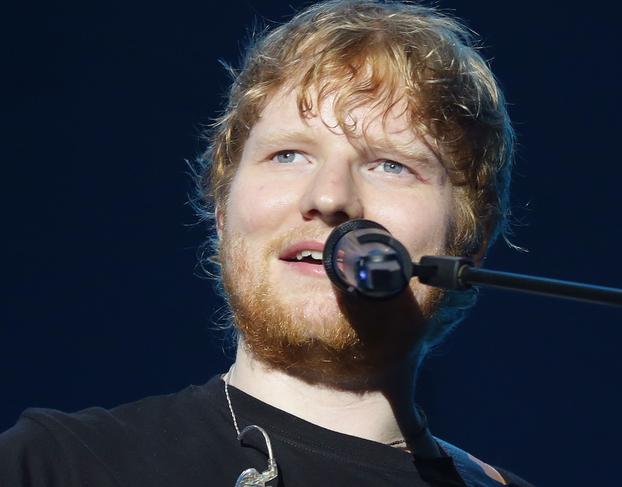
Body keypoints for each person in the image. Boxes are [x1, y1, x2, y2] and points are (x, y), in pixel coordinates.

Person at [0, 1, 534, 485]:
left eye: (389, 164)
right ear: (221, 210)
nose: (329, 196)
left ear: (470, 245)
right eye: (289, 155)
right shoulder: (55, 466)